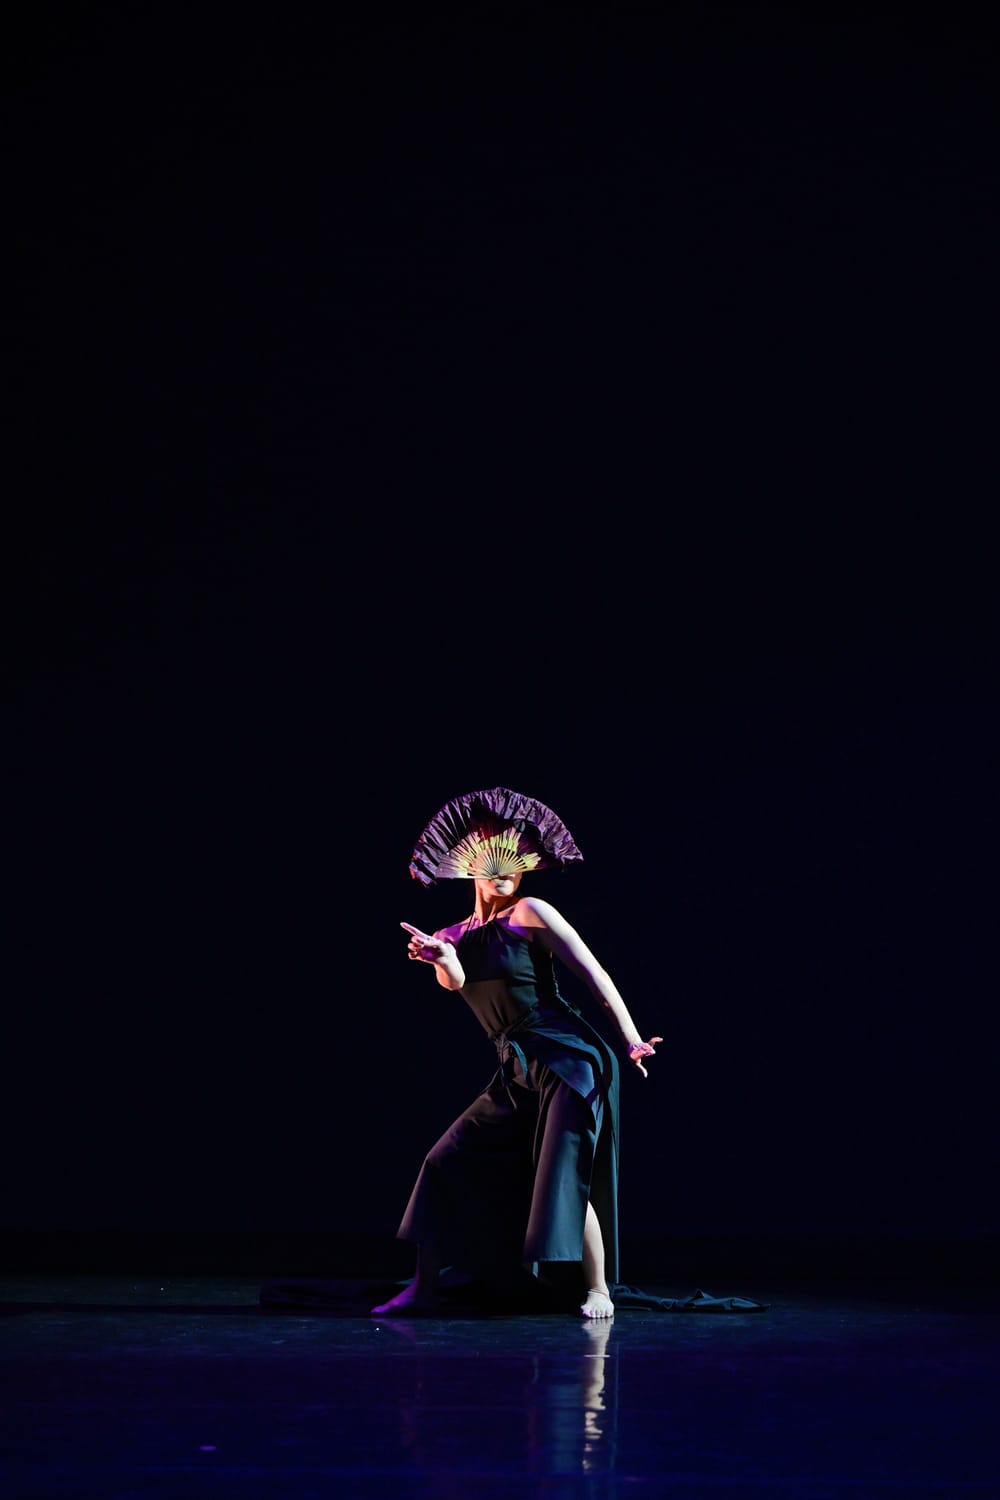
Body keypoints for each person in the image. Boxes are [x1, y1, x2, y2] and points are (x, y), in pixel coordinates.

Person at [371, 864, 662, 1320]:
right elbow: (456, 981)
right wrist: (441, 958)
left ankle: (599, 1289)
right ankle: (422, 1287)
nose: (503, 872)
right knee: (444, 1161)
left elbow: (593, 973)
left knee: (564, 1171)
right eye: (491, 865)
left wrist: (630, 1038)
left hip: (569, 1059)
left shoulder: (530, 912)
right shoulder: (449, 935)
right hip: (515, 1067)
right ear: (470, 869)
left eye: (514, 864)